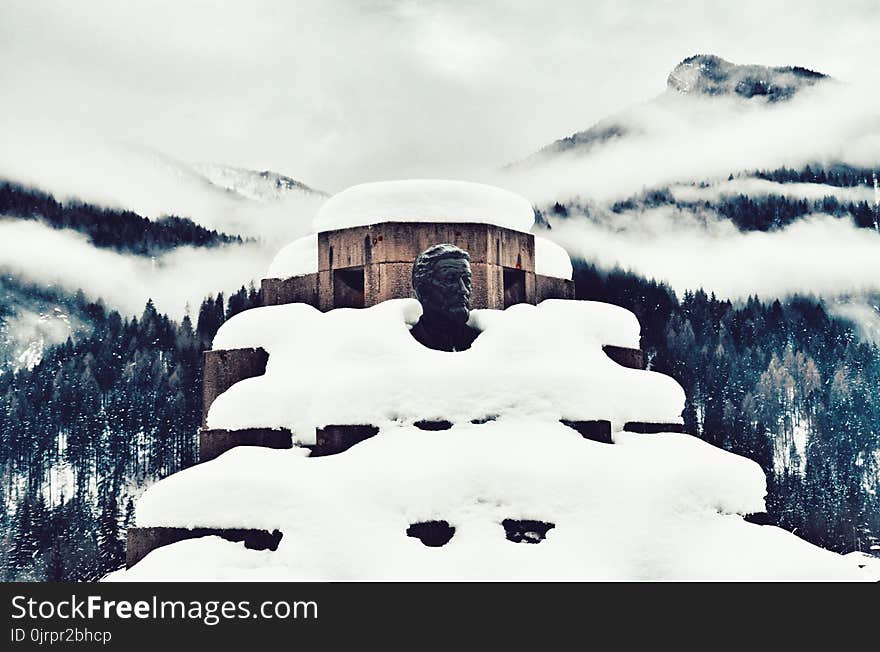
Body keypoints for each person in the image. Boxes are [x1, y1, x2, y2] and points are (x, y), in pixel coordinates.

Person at [409, 243, 480, 352]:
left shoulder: (481, 342)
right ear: (422, 289)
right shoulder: (406, 343)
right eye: (450, 280)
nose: (463, 290)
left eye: (466, 281)